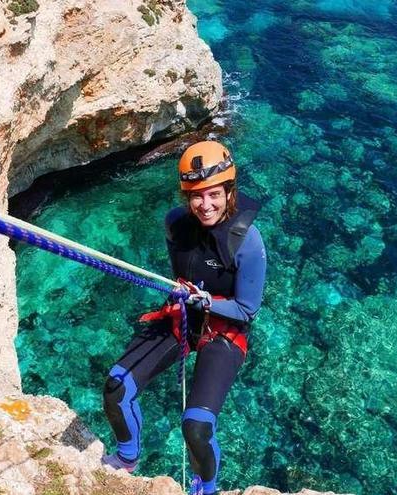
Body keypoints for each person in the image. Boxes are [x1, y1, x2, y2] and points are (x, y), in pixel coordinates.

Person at [101, 141, 267, 495]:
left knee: (196, 427)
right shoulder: (175, 224)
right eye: (196, 196)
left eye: (214, 195)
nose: (205, 205)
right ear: (186, 197)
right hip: (183, 314)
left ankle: (205, 488)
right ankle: (127, 458)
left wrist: (206, 302)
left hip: (223, 330)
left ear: (229, 192)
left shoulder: (247, 242)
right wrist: (188, 298)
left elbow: (247, 309)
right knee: (116, 387)